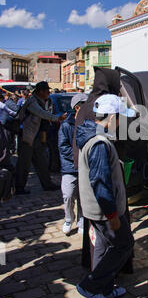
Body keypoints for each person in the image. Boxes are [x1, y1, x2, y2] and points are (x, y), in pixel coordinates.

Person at [76, 94, 135, 298]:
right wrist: (112, 215)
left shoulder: (94, 136)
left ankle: (105, 287)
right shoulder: (100, 143)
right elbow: (100, 182)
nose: (119, 122)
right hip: (103, 210)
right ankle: (90, 286)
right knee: (124, 244)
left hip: (95, 208)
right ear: (111, 118)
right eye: (119, 118)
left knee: (103, 245)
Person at [15, 81, 67, 195]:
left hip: (36, 136)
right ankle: (19, 187)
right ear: (41, 91)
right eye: (47, 91)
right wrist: (57, 118)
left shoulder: (42, 101)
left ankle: (47, 184)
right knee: (24, 163)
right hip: (27, 137)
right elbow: (42, 114)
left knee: (41, 162)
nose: (49, 93)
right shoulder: (32, 102)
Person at [58, 93, 88, 235]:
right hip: (70, 167)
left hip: (84, 167)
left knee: (83, 196)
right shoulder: (66, 125)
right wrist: (78, 157)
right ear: (77, 107)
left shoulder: (88, 123)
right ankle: (69, 218)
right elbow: (63, 147)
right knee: (68, 194)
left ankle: (82, 221)